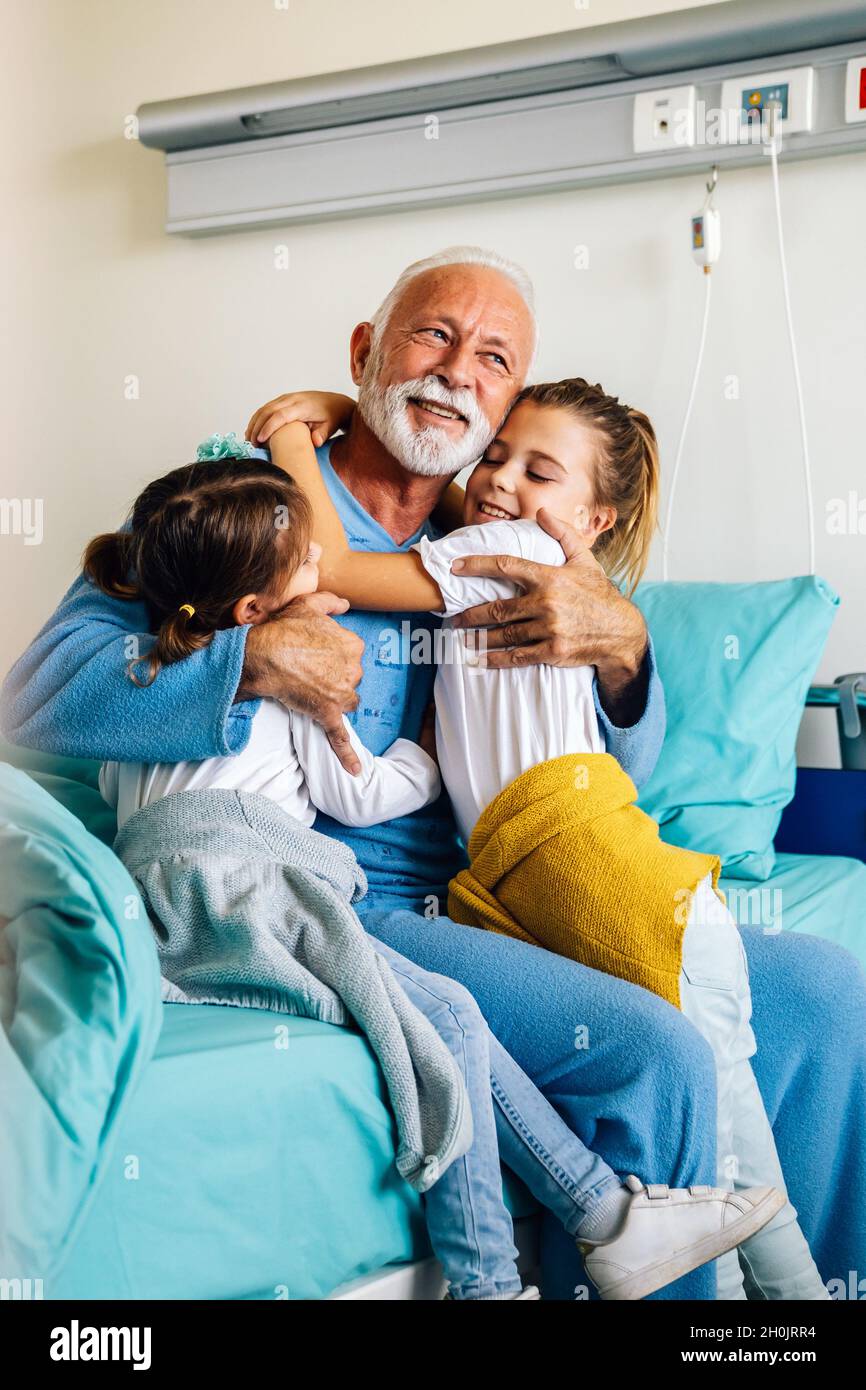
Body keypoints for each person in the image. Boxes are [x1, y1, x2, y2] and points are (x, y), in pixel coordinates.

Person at [3, 247, 864, 1299]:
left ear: (507, 405)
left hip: (504, 886)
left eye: (493, 358)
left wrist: (624, 650)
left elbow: (614, 768)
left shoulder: (498, 536)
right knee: (651, 1053)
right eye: (433, 335)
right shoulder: (238, 514)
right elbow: (36, 696)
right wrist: (250, 659)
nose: (458, 370)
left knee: (824, 994)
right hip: (350, 898)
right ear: (366, 353)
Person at [86, 452, 779, 1302]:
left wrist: (625, 644)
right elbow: (360, 790)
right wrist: (426, 746)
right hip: (265, 884)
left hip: (153, 905)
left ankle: (603, 1226)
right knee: (450, 1015)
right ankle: (508, 1273)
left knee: (457, 1013)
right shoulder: (295, 662)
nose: (323, 563)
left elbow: (119, 794)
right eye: (307, 556)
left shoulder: (161, 679)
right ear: (256, 609)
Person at [261, 378, 827, 1300]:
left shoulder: (506, 547)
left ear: (595, 517)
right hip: (558, 846)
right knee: (733, 1152)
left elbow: (328, 560)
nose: (496, 479)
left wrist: (293, 432)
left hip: (577, 845)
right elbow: (461, 509)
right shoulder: (514, 541)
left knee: (746, 1148)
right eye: (494, 456)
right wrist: (362, 417)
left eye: (537, 468)